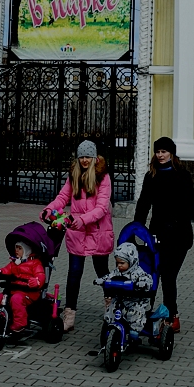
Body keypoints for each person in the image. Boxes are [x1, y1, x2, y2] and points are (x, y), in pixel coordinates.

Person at [42, 139, 113, 332]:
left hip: (98, 230)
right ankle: (69, 315)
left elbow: (101, 208)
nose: (84, 160)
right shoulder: (74, 175)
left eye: (88, 156)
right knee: (74, 274)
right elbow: (63, 197)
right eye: (81, 156)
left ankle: (111, 308)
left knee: (102, 272)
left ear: (94, 157)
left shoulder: (102, 176)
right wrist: (49, 210)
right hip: (78, 231)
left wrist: (82, 220)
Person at [133, 136, 193, 332]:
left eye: (164, 152)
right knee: (151, 275)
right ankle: (144, 313)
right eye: (157, 152)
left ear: (171, 153)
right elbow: (143, 204)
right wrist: (137, 228)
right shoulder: (151, 175)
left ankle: (171, 316)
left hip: (179, 235)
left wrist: (174, 224)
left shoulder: (182, 175)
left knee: (168, 275)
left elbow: (187, 205)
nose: (160, 155)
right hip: (157, 233)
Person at [0, 240, 45, 329]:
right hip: (14, 289)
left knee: (16, 299)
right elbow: (5, 271)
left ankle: (20, 323)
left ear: (27, 250)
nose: (16, 250)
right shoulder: (14, 263)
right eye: (16, 247)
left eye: (20, 248)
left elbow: (40, 274)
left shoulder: (35, 263)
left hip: (29, 292)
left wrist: (37, 281)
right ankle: (3, 318)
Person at [94, 241, 153, 332]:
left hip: (135, 300)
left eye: (122, 263)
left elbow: (147, 279)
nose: (119, 266)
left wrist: (142, 283)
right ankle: (109, 324)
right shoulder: (117, 271)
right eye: (117, 263)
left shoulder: (138, 272)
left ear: (131, 261)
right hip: (120, 298)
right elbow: (109, 277)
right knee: (111, 309)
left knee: (135, 314)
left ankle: (135, 331)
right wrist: (101, 280)